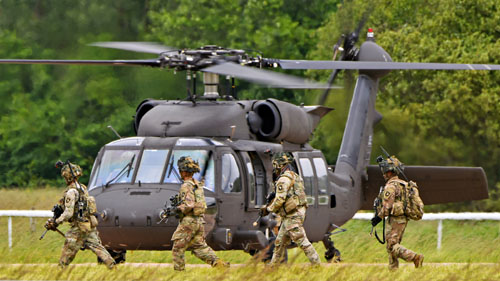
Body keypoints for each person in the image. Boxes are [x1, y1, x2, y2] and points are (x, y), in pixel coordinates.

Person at [45, 161, 115, 269]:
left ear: (67, 176)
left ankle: (59, 272)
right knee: (98, 248)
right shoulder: (83, 188)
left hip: (78, 228)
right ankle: (113, 267)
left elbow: (68, 213)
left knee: (67, 252)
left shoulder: (71, 192)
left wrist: (56, 222)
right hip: (88, 225)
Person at [260, 152, 320, 265]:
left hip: (293, 215)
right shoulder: (294, 176)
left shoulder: (283, 180)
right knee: (279, 242)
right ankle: (273, 266)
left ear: (279, 165)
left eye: (275, 165)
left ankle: (317, 264)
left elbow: (280, 200)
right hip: (292, 214)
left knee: (301, 240)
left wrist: (268, 209)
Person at [171, 156, 229, 271]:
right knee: (199, 247)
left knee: (178, 248)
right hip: (199, 221)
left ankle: (179, 273)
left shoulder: (186, 186)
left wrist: (177, 209)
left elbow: (188, 205)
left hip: (189, 221)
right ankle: (219, 264)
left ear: (183, 171)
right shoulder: (197, 185)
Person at [371, 155, 424, 269]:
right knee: (392, 245)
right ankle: (393, 271)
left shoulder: (391, 186)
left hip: (395, 219)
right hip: (403, 219)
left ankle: (415, 257)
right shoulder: (404, 184)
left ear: (389, 172)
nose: (383, 173)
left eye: (385, 170)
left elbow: (387, 207)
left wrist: (378, 218)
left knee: (392, 246)